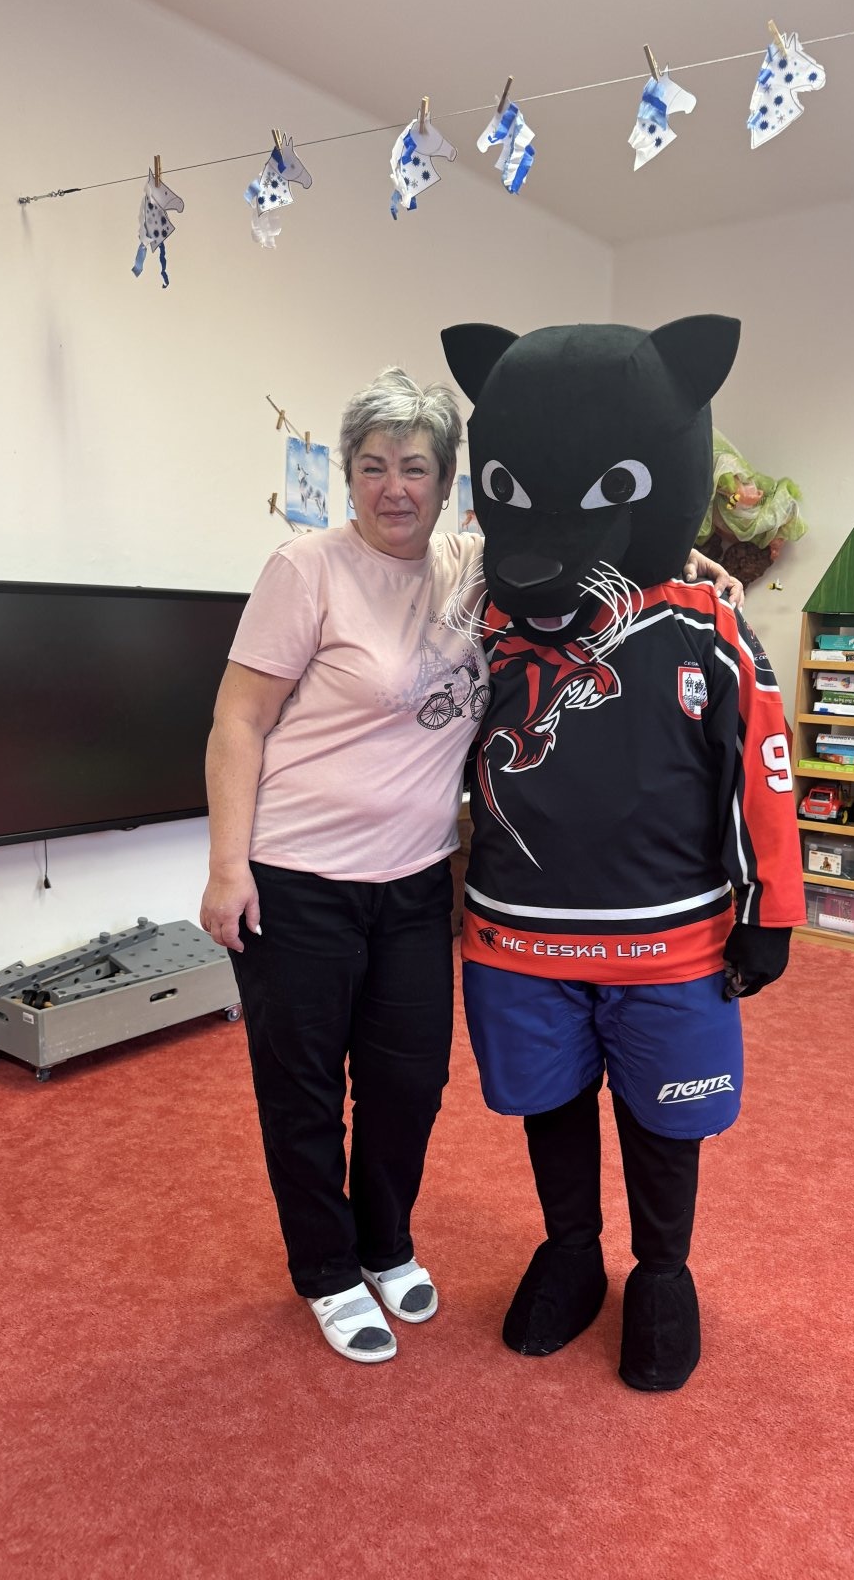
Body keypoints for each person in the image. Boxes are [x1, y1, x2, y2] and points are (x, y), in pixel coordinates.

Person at [201, 364, 740, 1366]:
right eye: (372, 466)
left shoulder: (473, 565)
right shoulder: (306, 569)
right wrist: (226, 865)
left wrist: (688, 559)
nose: (393, 487)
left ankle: (385, 1243)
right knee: (306, 1090)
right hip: (298, 878)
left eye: (415, 467)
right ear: (348, 475)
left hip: (416, 882)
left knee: (408, 1082)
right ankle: (327, 1269)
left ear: (451, 482)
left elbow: (592, 539)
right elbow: (238, 720)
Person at [441, 316, 805, 1391]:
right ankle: (570, 1249)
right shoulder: (484, 624)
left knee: (665, 1115)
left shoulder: (707, 629)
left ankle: (662, 1269)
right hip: (518, 937)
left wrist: (770, 909)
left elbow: (763, 772)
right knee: (549, 1103)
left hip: (671, 943)